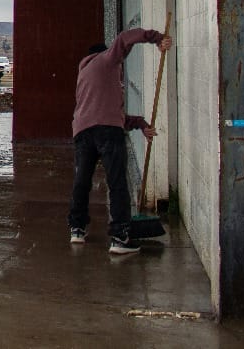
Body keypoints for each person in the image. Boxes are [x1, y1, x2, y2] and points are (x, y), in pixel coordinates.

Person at [68, 27, 173, 255]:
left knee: (82, 181)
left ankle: (77, 229)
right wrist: (157, 39)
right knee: (117, 183)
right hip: (107, 133)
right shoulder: (107, 60)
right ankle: (120, 238)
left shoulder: (84, 74)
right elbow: (126, 37)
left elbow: (104, 113)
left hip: (83, 132)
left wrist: (141, 124)